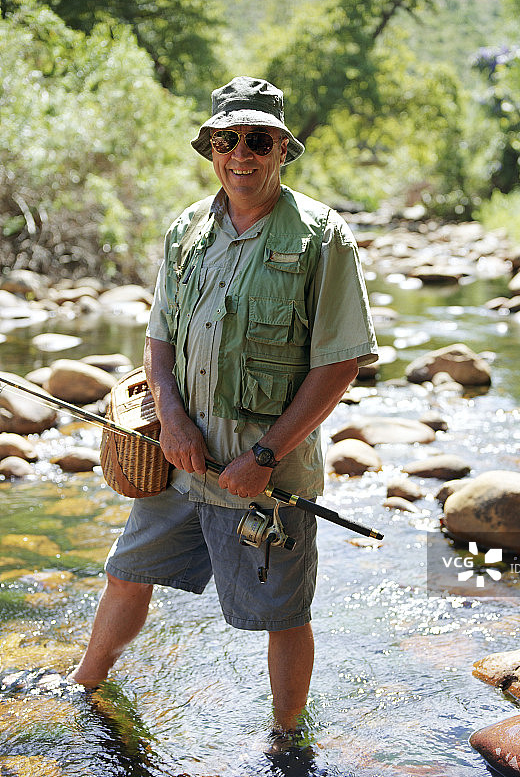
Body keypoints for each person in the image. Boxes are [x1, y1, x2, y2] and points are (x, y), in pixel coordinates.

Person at [70, 76, 378, 740]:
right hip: (177, 463)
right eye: (226, 138)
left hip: (265, 480)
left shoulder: (324, 237)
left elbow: (341, 361)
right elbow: (158, 338)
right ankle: (82, 690)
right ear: (212, 146)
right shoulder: (187, 230)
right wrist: (172, 420)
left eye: (258, 140)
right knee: (127, 576)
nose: (241, 152)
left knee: (285, 614)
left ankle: (286, 737)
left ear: (282, 149)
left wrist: (266, 455)